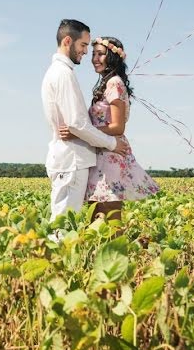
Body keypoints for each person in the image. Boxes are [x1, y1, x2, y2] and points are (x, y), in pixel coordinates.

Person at [59, 36, 159, 219]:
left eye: (100, 54)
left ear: (113, 57)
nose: (94, 58)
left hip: (111, 155)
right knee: (96, 219)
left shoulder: (114, 83)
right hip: (99, 153)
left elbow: (117, 127)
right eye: (94, 54)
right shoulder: (106, 83)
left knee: (109, 219)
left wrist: (78, 133)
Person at [41, 19, 130, 219]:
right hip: (73, 159)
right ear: (67, 41)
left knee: (99, 217)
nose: (86, 53)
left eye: (99, 53)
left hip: (89, 157)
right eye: (84, 46)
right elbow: (77, 124)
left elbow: (79, 126)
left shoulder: (110, 83)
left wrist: (77, 132)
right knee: (67, 222)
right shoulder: (63, 74)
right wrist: (109, 142)